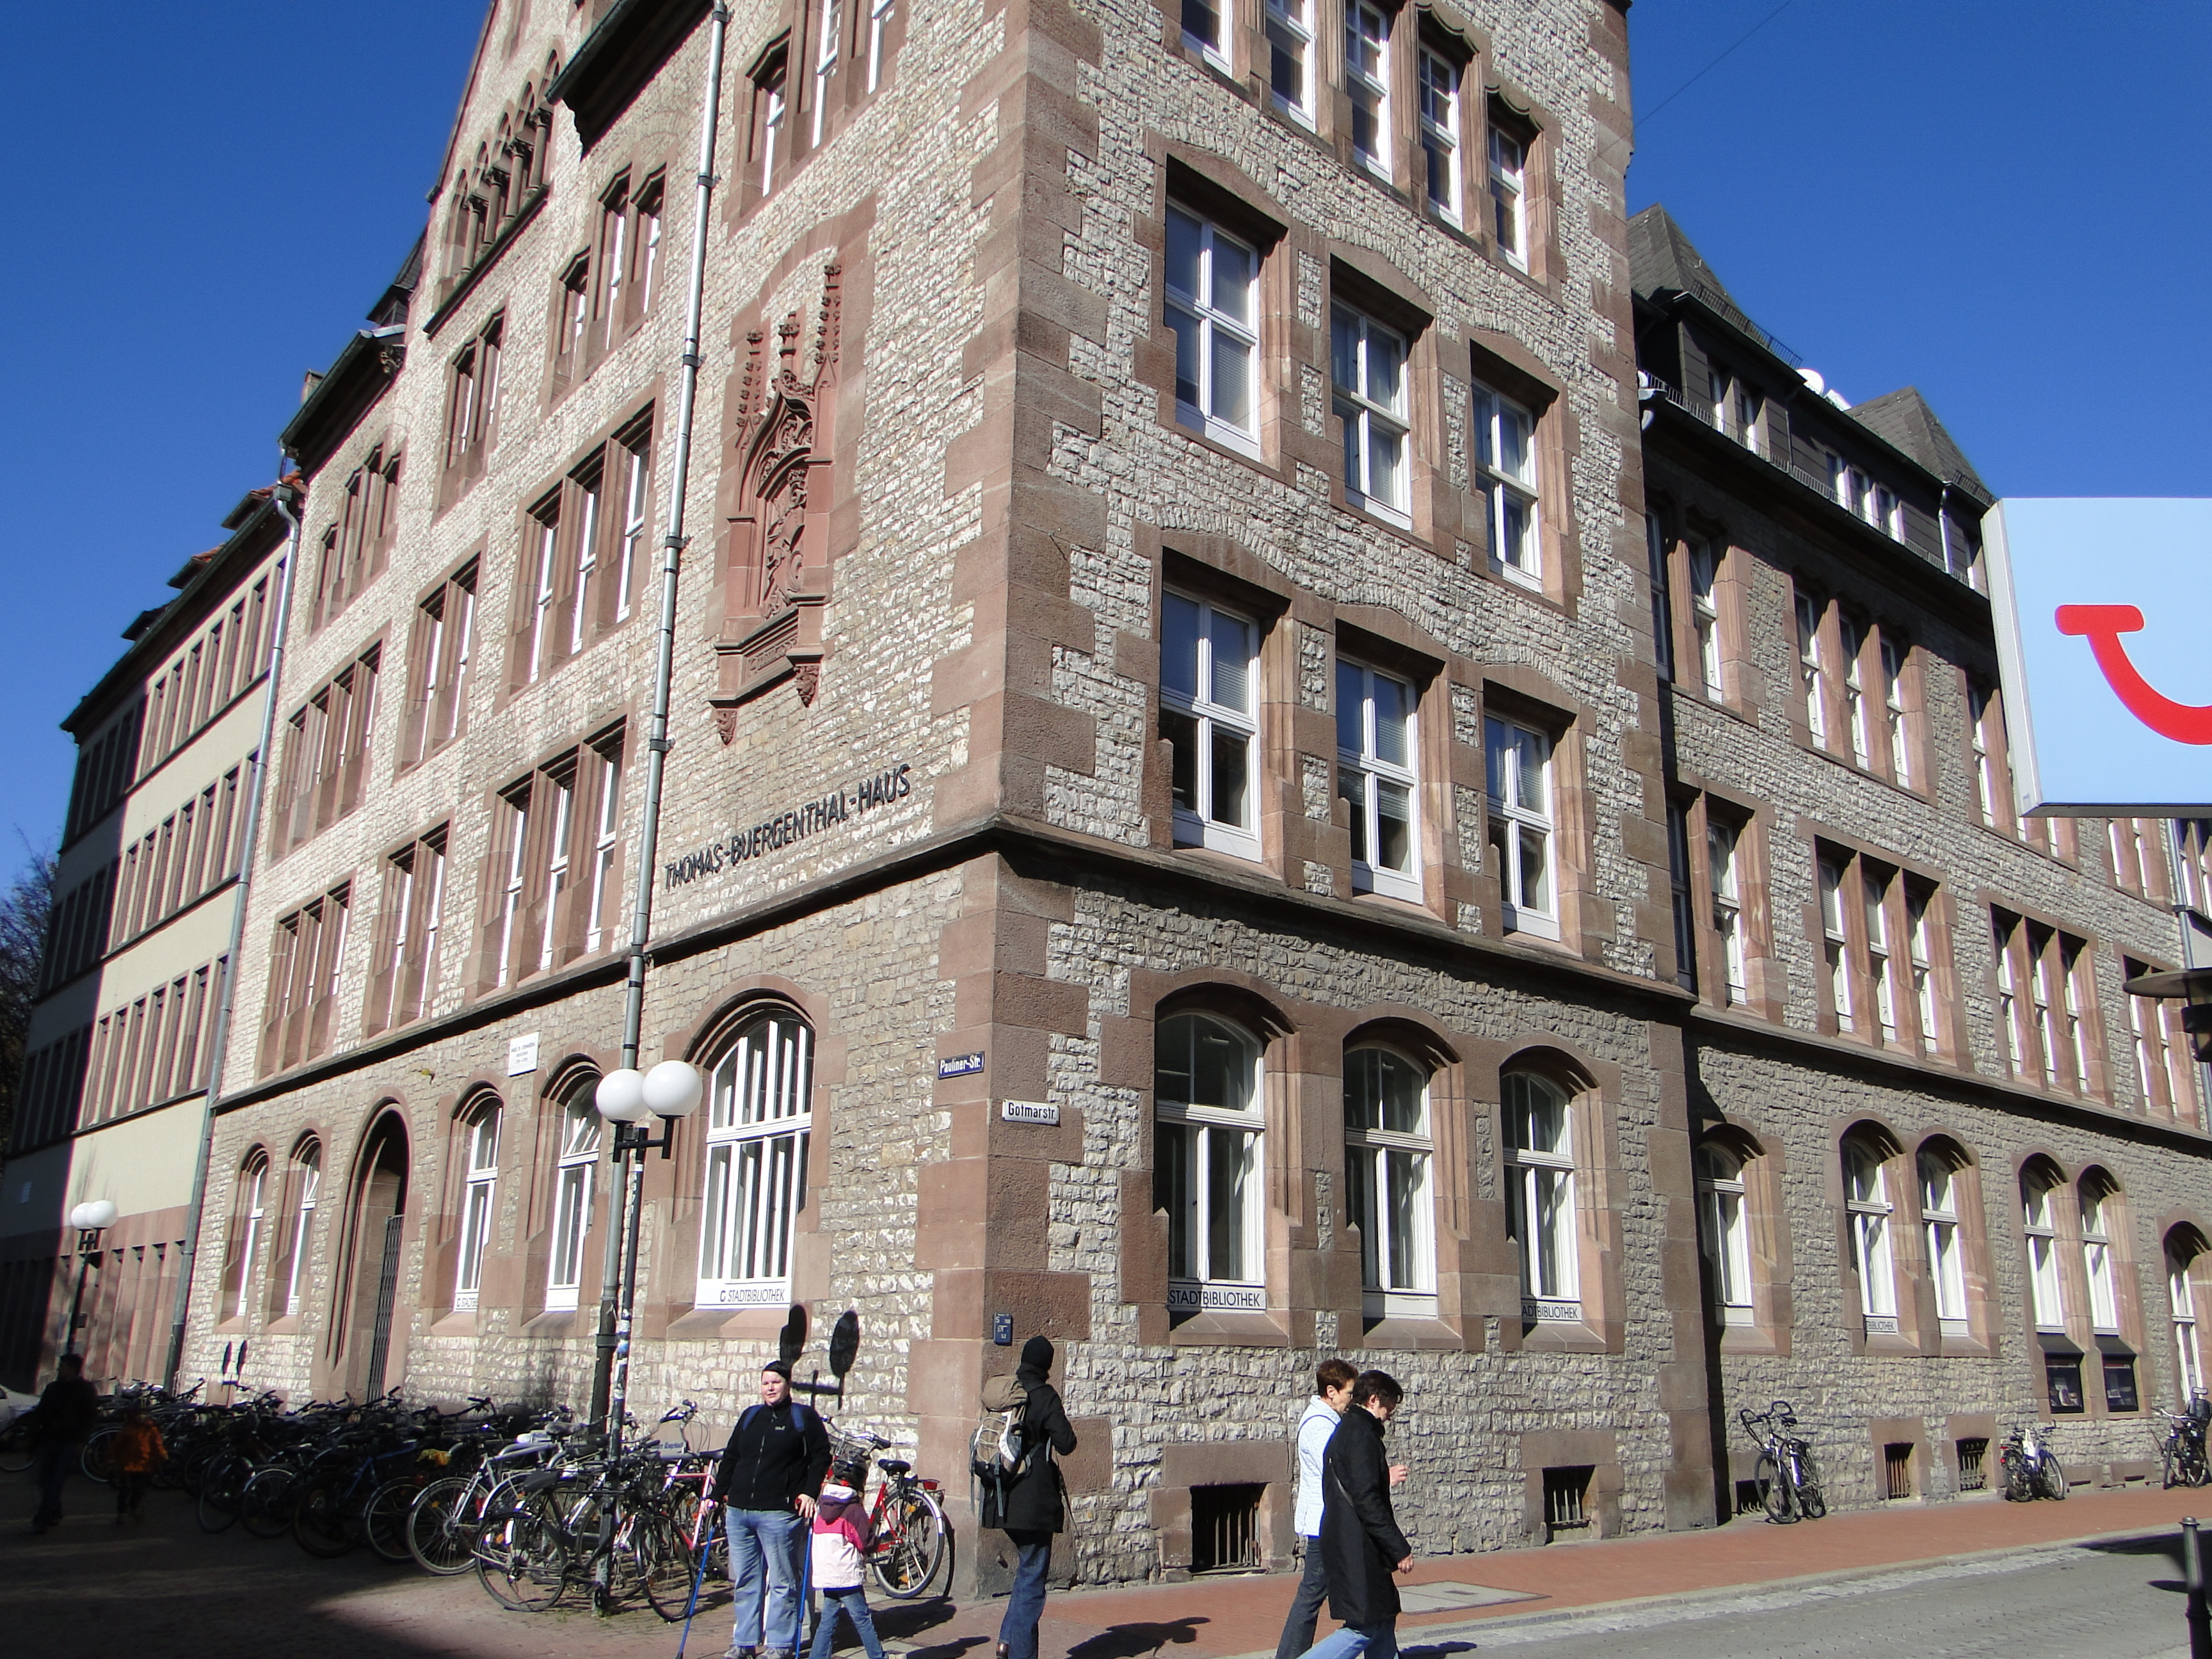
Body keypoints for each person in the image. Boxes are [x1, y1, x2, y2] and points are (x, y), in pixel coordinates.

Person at [710, 1360, 833, 1659]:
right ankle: (744, 1642)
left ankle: (779, 1645)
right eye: (765, 1383)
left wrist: (808, 1492)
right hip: (740, 1511)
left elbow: (821, 1456)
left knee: (782, 1582)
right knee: (746, 1580)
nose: (770, 1388)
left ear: (787, 1384)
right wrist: (716, 1494)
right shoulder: (751, 1416)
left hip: (779, 1513)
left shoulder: (802, 1418)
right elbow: (732, 1456)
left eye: (775, 1382)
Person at [1295, 1370, 1413, 1659]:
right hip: (1357, 1547)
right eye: (1388, 1410)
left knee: (1382, 1620)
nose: (1389, 1417)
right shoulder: (1360, 1436)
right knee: (1364, 1627)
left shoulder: (1348, 1430)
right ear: (1373, 1401)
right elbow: (1367, 1499)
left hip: (1353, 1542)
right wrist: (1399, 1548)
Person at [983, 1336, 1077, 1659]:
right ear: (1047, 1366)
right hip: (1033, 1504)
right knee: (1033, 1584)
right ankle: (1018, 1651)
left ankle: (1006, 1642)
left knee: (1026, 1576)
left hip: (1002, 1497)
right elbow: (1067, 1443)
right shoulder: (1044, 1395)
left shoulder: (1006, 1393)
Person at [1274, 1359, 1360, 1659]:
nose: (1353, 1399)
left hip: (1329, 1520)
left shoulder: (1329, 1421)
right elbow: (1340, 1469)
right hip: (1324, 1523)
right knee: (1311, 1595)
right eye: (1350, 1393)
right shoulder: (1319, 1426)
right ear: (1331, 1391)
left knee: (1317, 1593)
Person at [807, 1454, 886, 1659]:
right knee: (862, 1618)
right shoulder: (853, 1509)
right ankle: (878, 1656)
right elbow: (865, 1542)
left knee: (828, 1619)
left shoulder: (822, 1505)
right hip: (846, 1575)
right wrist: (880, 1543)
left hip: (827, 1574)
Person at [28, 1353, 100, 1535]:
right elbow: (41, 1413)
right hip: (49, 1438)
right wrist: (32, 1435)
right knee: (45, 1480)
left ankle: (42, 1519)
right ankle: (55, 1510)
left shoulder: (85, 1390)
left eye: (63, 1366)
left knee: (55, 1481)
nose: (60, 1369)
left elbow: (89, 1417)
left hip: (69, 1441)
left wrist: (81, 1441)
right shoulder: (53, 1388)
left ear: (73, 1369)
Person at [109, 1401, 168, 1523]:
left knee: (139, 1490)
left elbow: (157, 1444)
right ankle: (122, 1512)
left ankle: (134, 1509)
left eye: (143, 1414)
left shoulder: (151, 1430)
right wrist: (112, 1460)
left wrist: (162, 1455)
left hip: (144, 1466)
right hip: (126, 1464)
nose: (141, 1417)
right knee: (124, 1490)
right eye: (139, 1414)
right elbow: (117, 1446)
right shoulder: (128, 1429)